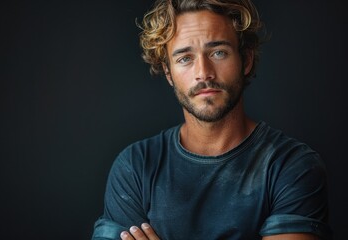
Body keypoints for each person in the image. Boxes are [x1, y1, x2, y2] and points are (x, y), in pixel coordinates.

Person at [92, 0, 331, 239]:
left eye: (218, 53)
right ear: (168, 72)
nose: (203, 72)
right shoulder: (135, 168)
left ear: (245, 60)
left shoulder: (291, 166)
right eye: (185, 58)